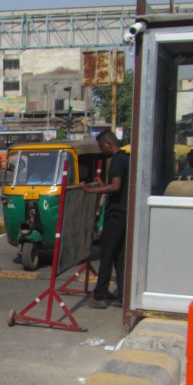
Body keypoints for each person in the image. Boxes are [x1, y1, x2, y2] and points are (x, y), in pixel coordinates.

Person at [83, 130, 129, 309]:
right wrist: (103, 186)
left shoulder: (117, 160)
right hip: (124, 214)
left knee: (107, 254)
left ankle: (100, 294)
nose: (101, 149)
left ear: (109, 144)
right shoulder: (126, 158)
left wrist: (90, 190)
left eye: (102, 146)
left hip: (116, 215)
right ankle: (123, 294)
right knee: (118, 256)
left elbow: (116, 187)